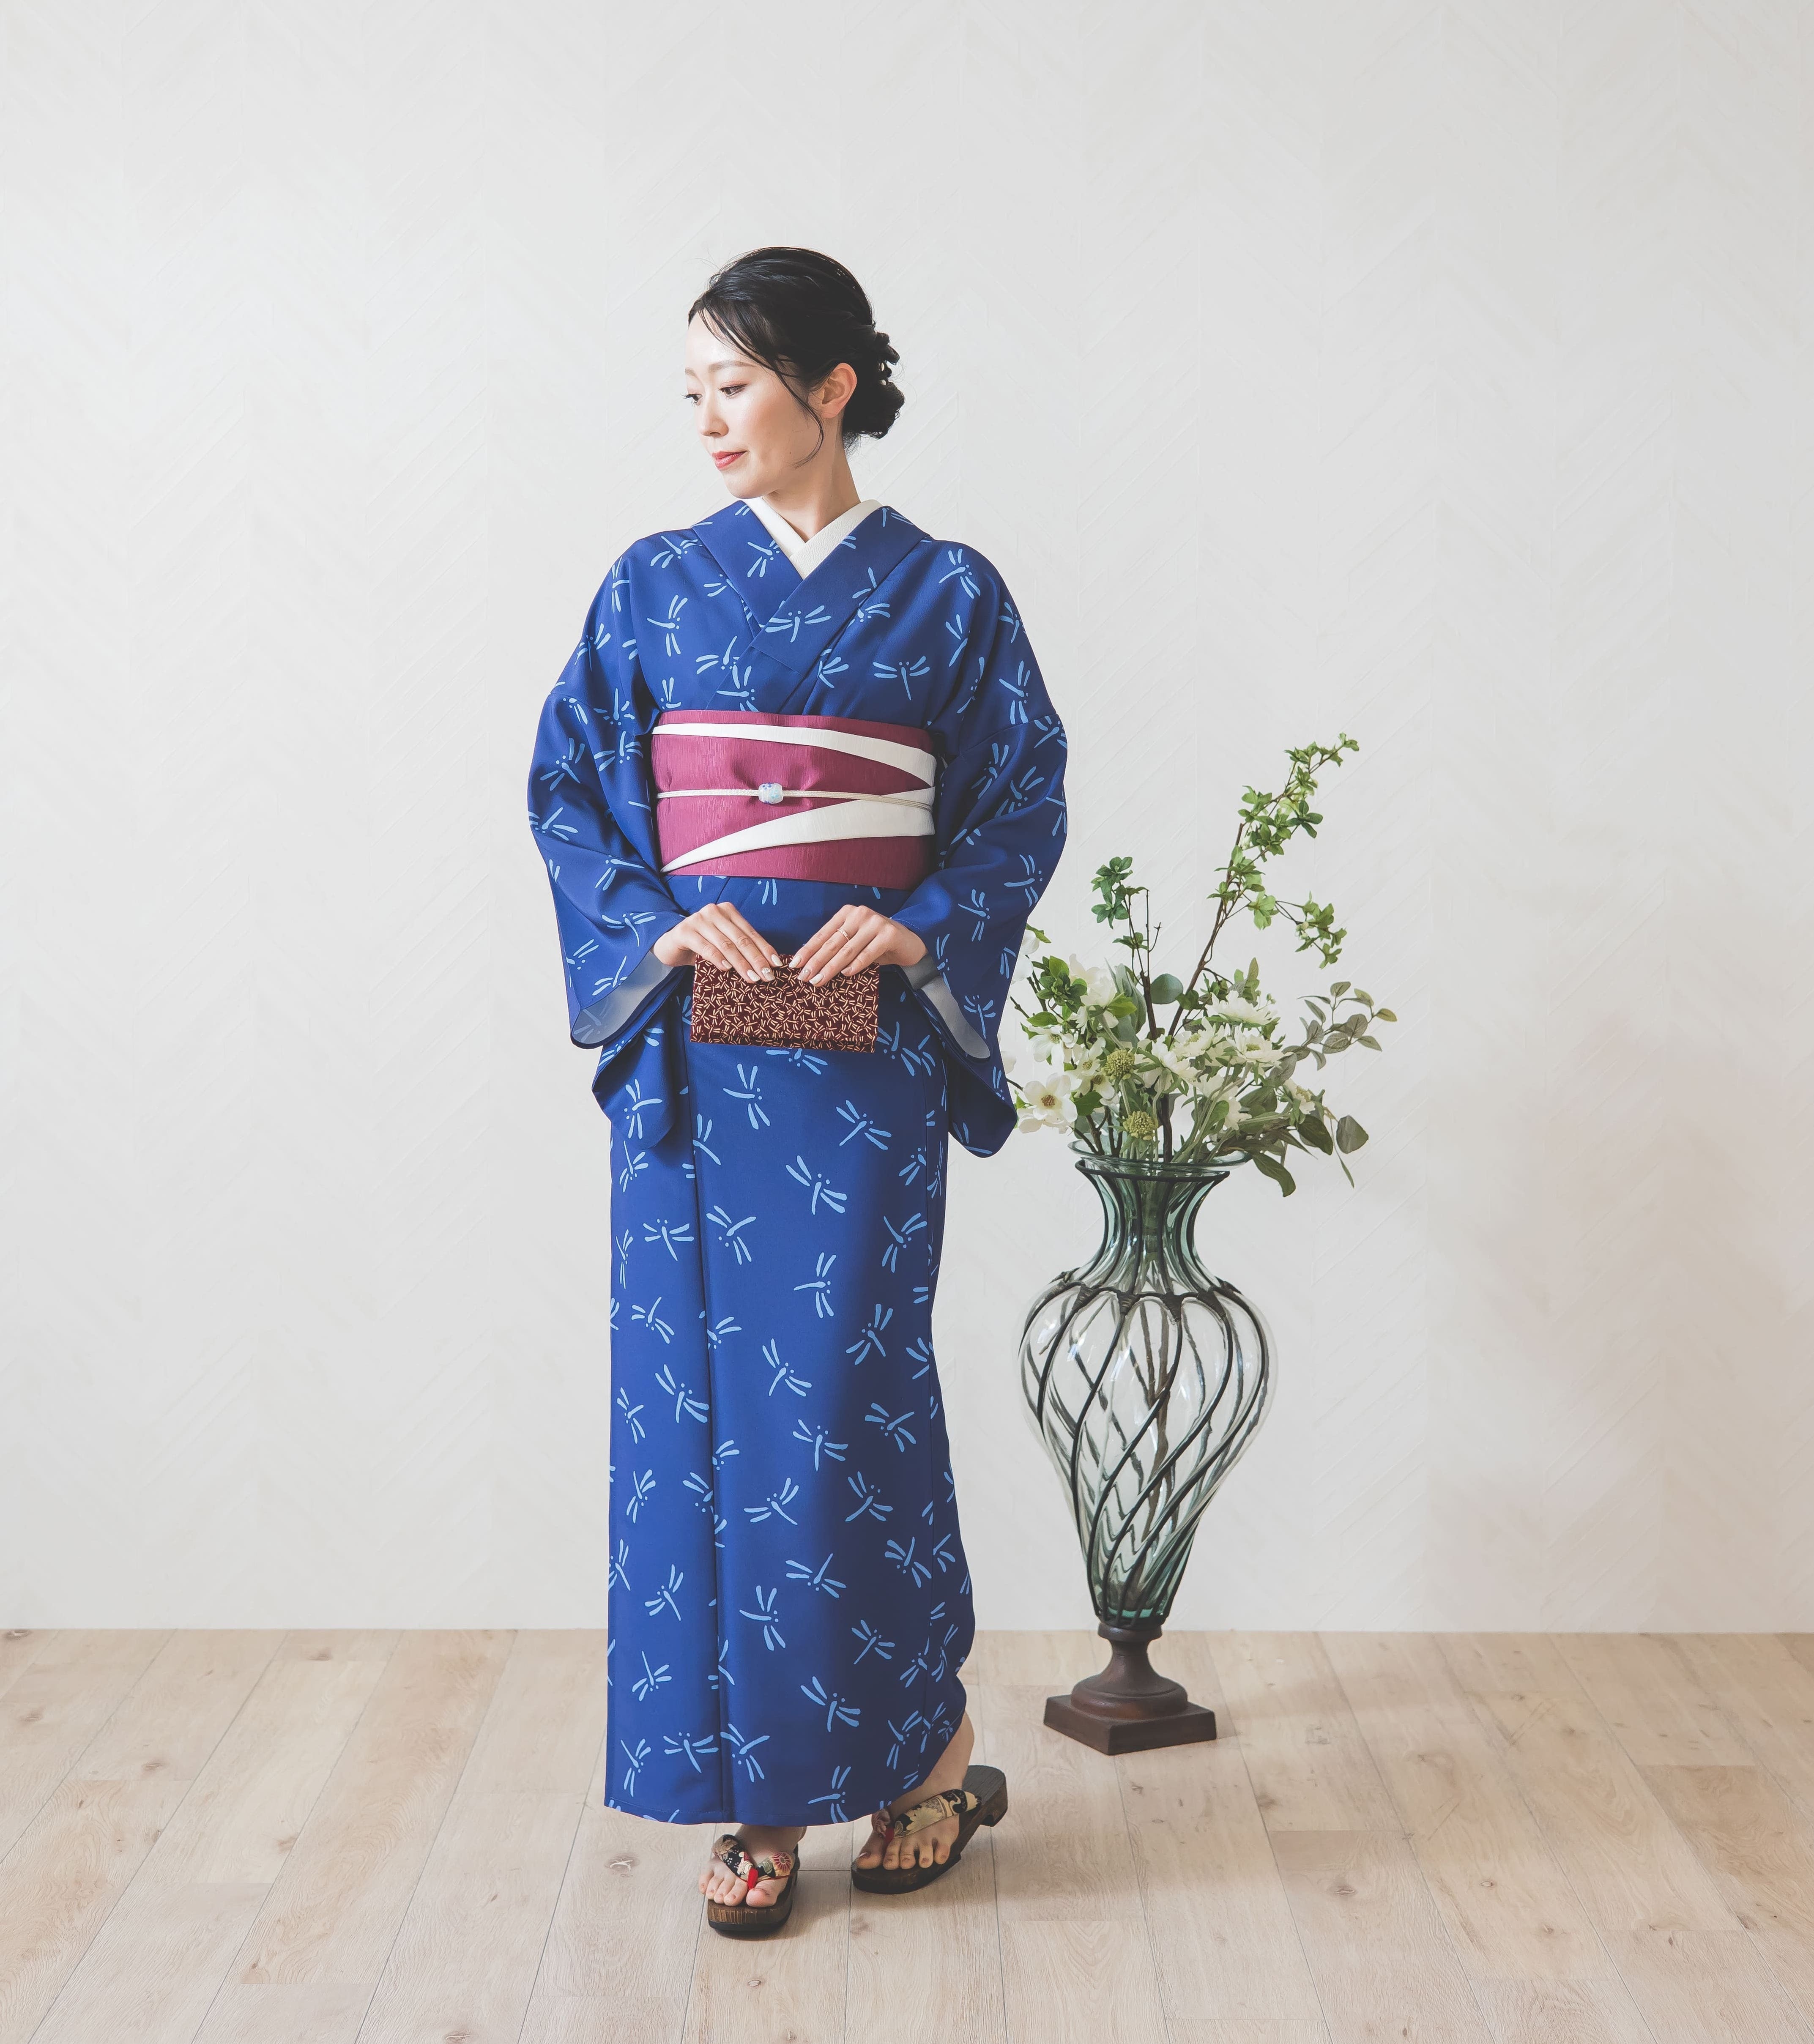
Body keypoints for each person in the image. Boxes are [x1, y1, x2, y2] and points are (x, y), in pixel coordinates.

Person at [526, 246, 1066, 1935]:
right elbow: (569, 789)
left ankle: (924, 1754)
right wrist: (649, 921)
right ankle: (751, 1793)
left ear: (829, 388)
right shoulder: (651, 586)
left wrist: (917, 929)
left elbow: (1020, 795)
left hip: (860, 1069)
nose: (707, 419)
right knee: (697, 1421)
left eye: (735, 385)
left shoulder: (949, 594)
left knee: (847, 1402)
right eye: (691, 391)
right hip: (698, 1064)